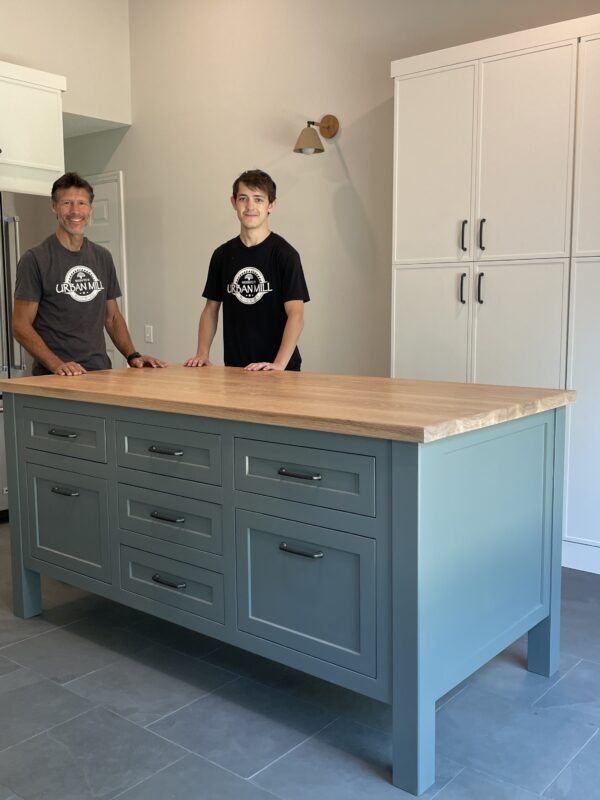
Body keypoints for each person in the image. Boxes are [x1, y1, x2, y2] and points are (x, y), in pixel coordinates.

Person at [12, 172, 166, 376]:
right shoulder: (36, 259)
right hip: (53, 378)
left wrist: (133, 356)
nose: (75, 211)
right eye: (67, 203)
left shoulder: (102, 257)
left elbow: (111, 317)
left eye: (82, 203)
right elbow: (20, 325)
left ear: (90, 209)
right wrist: (57, 365)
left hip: (99, 373)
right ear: (54, 207)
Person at [184, 169, 309, 371]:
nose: (250, 206)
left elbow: (296, 315)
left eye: (258, 199)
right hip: (236, 368)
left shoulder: (285, 255)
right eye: (243, 198)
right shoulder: (222, 255)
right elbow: (210, 309)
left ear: (271, 205)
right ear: (234, 203)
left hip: (280, 370)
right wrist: (202, 353)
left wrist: (278, 364)